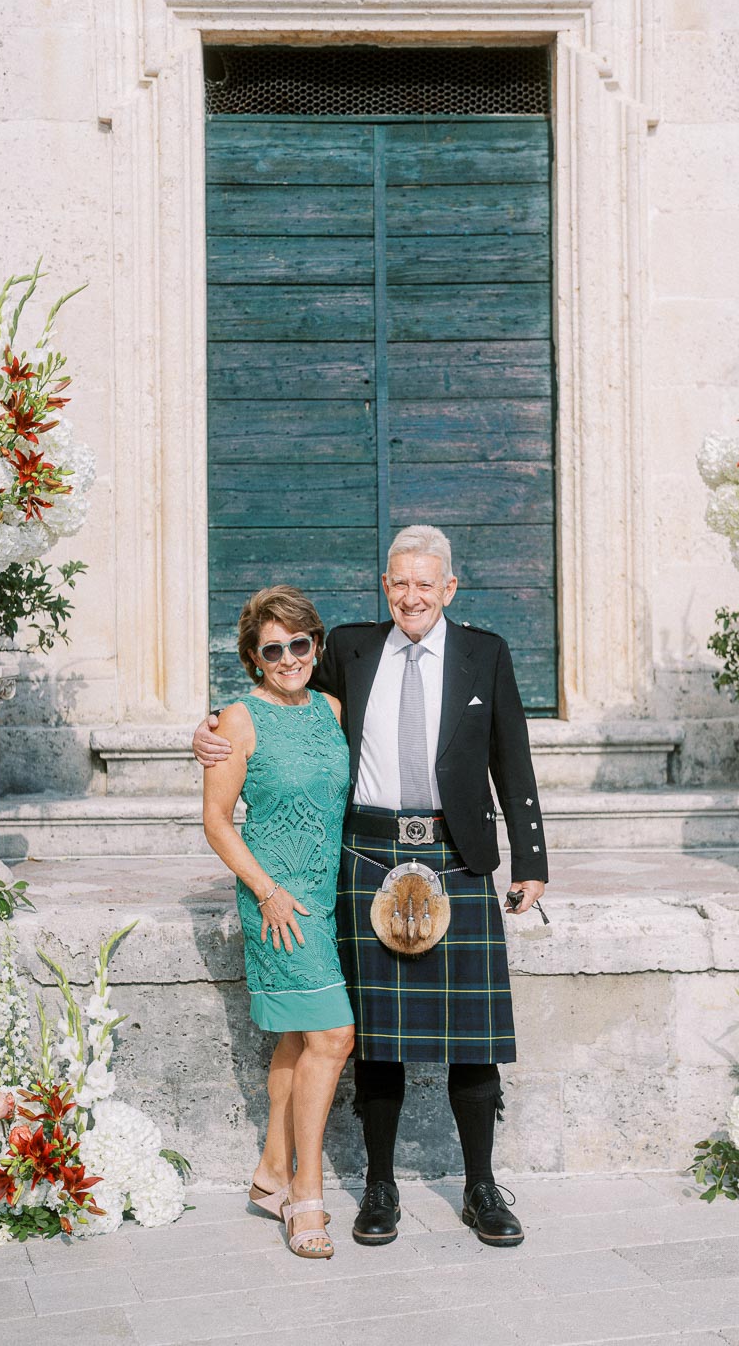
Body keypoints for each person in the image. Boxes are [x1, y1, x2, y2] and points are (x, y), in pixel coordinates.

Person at [195, 526, 547, 1249]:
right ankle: (379, 1188)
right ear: (384, 587)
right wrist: (202, 731)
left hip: (458, 855)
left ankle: (481, 1186)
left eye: (426, 583)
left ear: (449, 588)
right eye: (399, 583)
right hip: (369, 854)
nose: (411, 596)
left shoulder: (485, 652)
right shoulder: (351, 649)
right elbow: (269, 700)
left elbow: (512, 756)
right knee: (374, 1036)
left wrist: (532, 858)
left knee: (473, 1040)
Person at [202, 585, 355, 1261]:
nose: (289, 657)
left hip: (326, 896)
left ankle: (268, 1173)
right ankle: (305, 1192)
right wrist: (265, 891)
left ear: (315, 645)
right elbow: (216, 821)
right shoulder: (237, 719)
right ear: (253, 657)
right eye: (273, 649)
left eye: (299, 643)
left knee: (299, 1040)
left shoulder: (331, 708)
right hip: (277, 903)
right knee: (333, 1034)